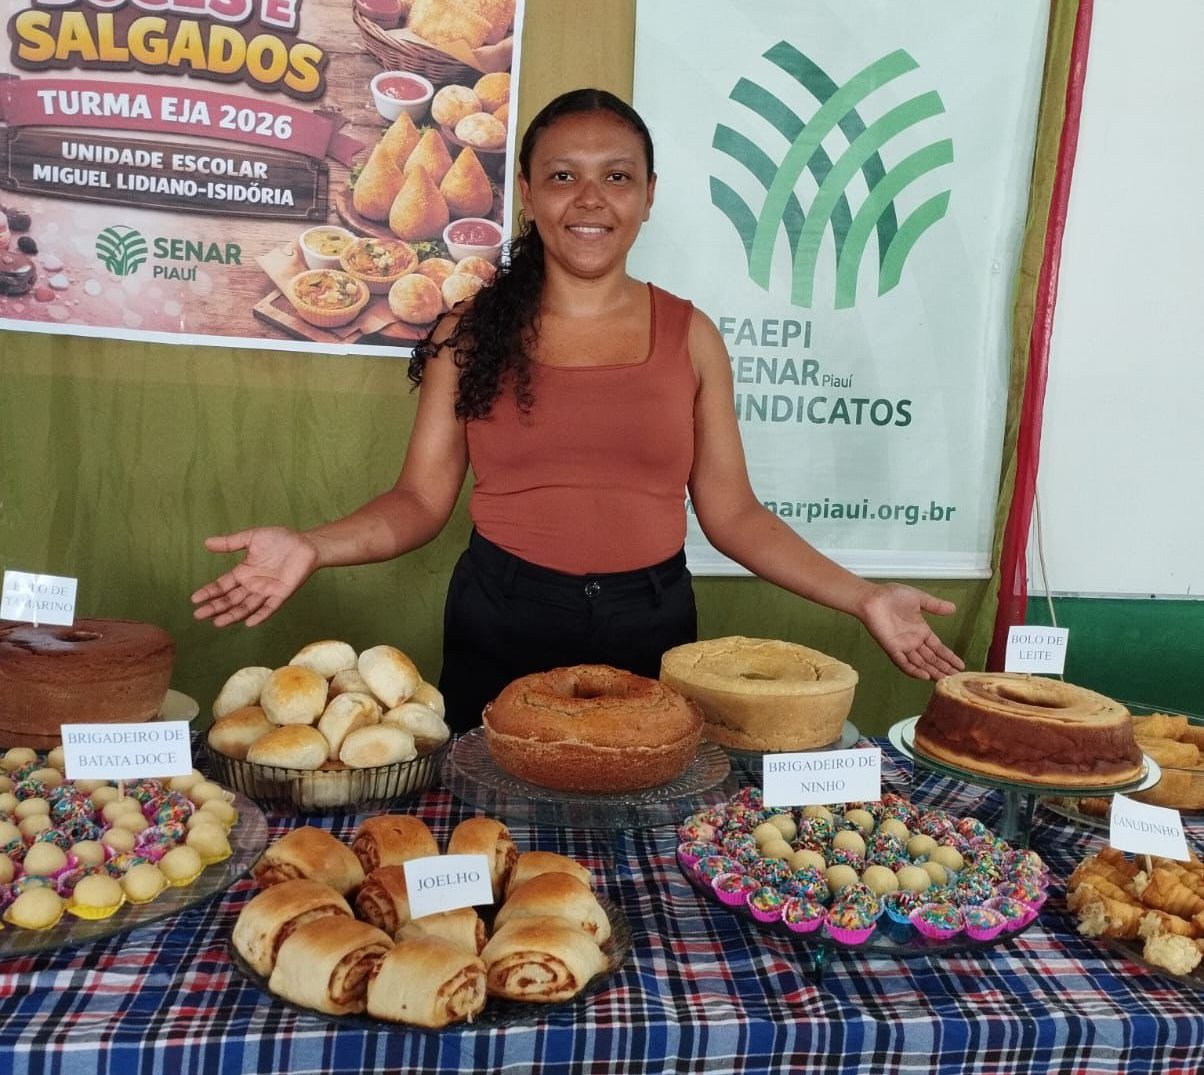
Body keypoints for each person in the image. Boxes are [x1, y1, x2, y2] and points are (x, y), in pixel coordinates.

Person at [192, 88, 964, 733]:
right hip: (500, 619)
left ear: (649, 195)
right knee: (498, 837)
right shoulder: (468, 334)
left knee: (635, 842)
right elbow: (421, 501)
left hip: (650, 625)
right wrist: (312, 547)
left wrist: (864, 595)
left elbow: (735, 516)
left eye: (618, 177)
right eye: (563, 176)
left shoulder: (692, 336)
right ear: (527, 192)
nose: (590, 199)